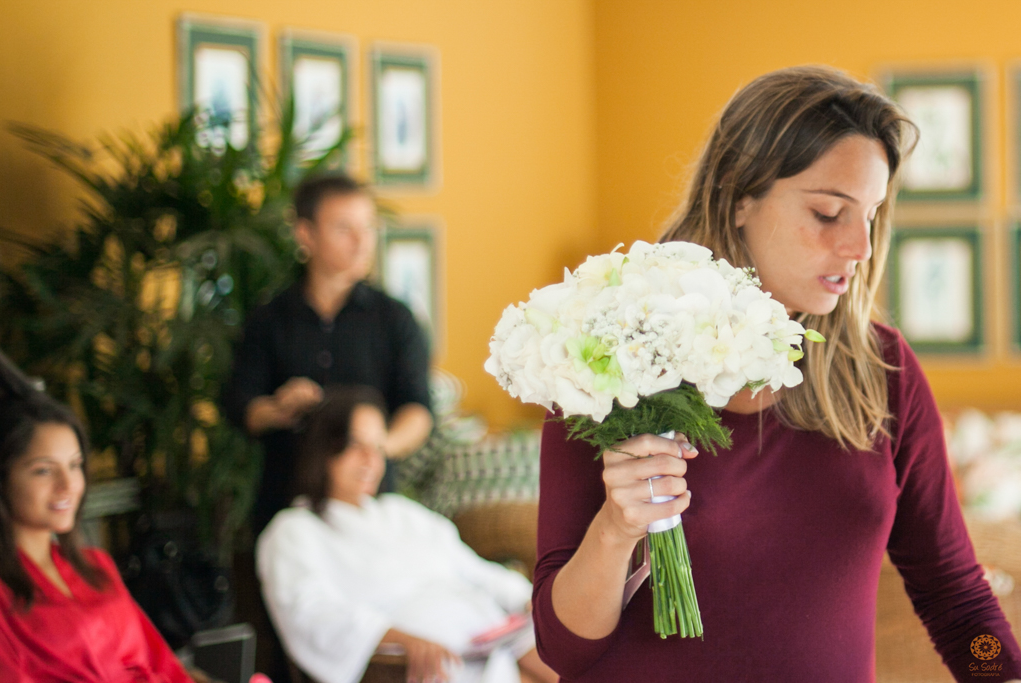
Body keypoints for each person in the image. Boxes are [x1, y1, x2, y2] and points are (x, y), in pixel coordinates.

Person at [532, 66, 1021, 682]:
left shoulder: (880, 370)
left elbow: (957, 596)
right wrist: (615, 529)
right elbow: (562, 649)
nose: (861, 247)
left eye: (870, 215)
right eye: (827, 212)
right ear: (740, 197)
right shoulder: (611, 358)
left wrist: (999, 673)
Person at [256, 386, 558, 683]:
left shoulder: (401, 512)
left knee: (560, 651)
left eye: (378, 447)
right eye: (356, 445)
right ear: (324, 449)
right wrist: (400, 638)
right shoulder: (294, 530)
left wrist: (528, 600)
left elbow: (475, 570)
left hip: (488, 633)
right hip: (428, 657)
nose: (370, 460)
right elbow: (309, 613)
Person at [224, 173, 433, 535]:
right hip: (285, 505)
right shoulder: (269, 319)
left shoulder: (395, 319)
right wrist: (280, 408)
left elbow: (418, 410)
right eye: (344, 229)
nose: (361, 242)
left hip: (369, 509)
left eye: (367, 228)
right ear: (306, 234)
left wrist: (372, 448)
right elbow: (241, 407)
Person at [0, 348, 193, 681]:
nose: (68, 486)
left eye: (75, 466)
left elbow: (160, 664)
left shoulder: (96, 566)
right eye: (44, 470)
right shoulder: (2, 595)